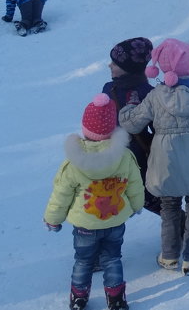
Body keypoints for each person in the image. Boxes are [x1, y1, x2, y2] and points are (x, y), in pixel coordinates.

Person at [119, 38, 189, 276]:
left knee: (169, 206)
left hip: (166, 162)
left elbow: (133, 124)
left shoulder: (156, 96)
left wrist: (128, 107)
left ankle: (169, 256)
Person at [43, 93, 144, 310]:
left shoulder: (73, 164)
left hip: (85, 227)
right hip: (115, 222)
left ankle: (79, 297)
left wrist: (53, 219)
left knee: (83, 261)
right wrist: (136, 205)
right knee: (113, 259)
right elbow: (135, 184)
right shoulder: (124, 157)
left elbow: (61, 196)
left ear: (85, 129)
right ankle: (116, 299)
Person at [101, 37, 161, 215]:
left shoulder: (148, 94)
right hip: (110, 155)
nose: (109, 65)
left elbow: (157, 127)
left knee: (145, 196)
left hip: (137, 157)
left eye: (115, 63)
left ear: (129, 69)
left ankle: (178, 223)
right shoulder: (108, 89)